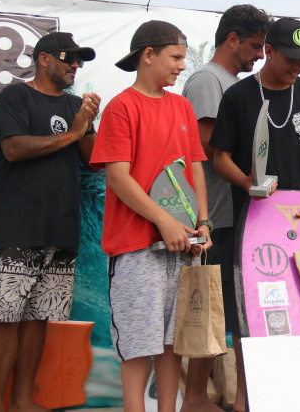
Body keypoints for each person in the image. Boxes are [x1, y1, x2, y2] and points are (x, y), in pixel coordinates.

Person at [90, 21, 212, 411]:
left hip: (182, 246)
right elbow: (118, 177)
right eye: (175, 57)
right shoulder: (121, 107)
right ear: (148, 55)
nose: (181, 66)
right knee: (137, 341)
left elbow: (195, 168)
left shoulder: (182, 106)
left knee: (171, 340)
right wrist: (163, 220)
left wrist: (203, 224)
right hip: (135, 248)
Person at [0, 32, 99, 412]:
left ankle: (21, 401)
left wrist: (88, 124)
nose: (75, 66)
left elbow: (92, 160)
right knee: (5, 319)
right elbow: (14, 149)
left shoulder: (74, 105)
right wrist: (72, 133)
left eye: (80, 61)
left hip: (61, 229)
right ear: (44, 59)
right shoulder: (15, 97)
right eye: (69, 58)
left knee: (39, 318)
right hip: (18, 228)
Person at [181, 5, 270, 412]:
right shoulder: (207, 80)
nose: (260, 56)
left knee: (236, 314)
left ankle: (237, 399)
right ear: (231, 39)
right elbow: (202, 147)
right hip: (214, 216)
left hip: (238, 216)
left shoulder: (234, 83)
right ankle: (196, 399)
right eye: (255, 46)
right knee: (211, 311)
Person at [209, 16, 300, 250]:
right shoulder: (237, 96)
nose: (299, 66)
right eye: (292, 59)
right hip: (254, 218)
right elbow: (220, 157)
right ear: (269, 51)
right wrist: (245, 182)